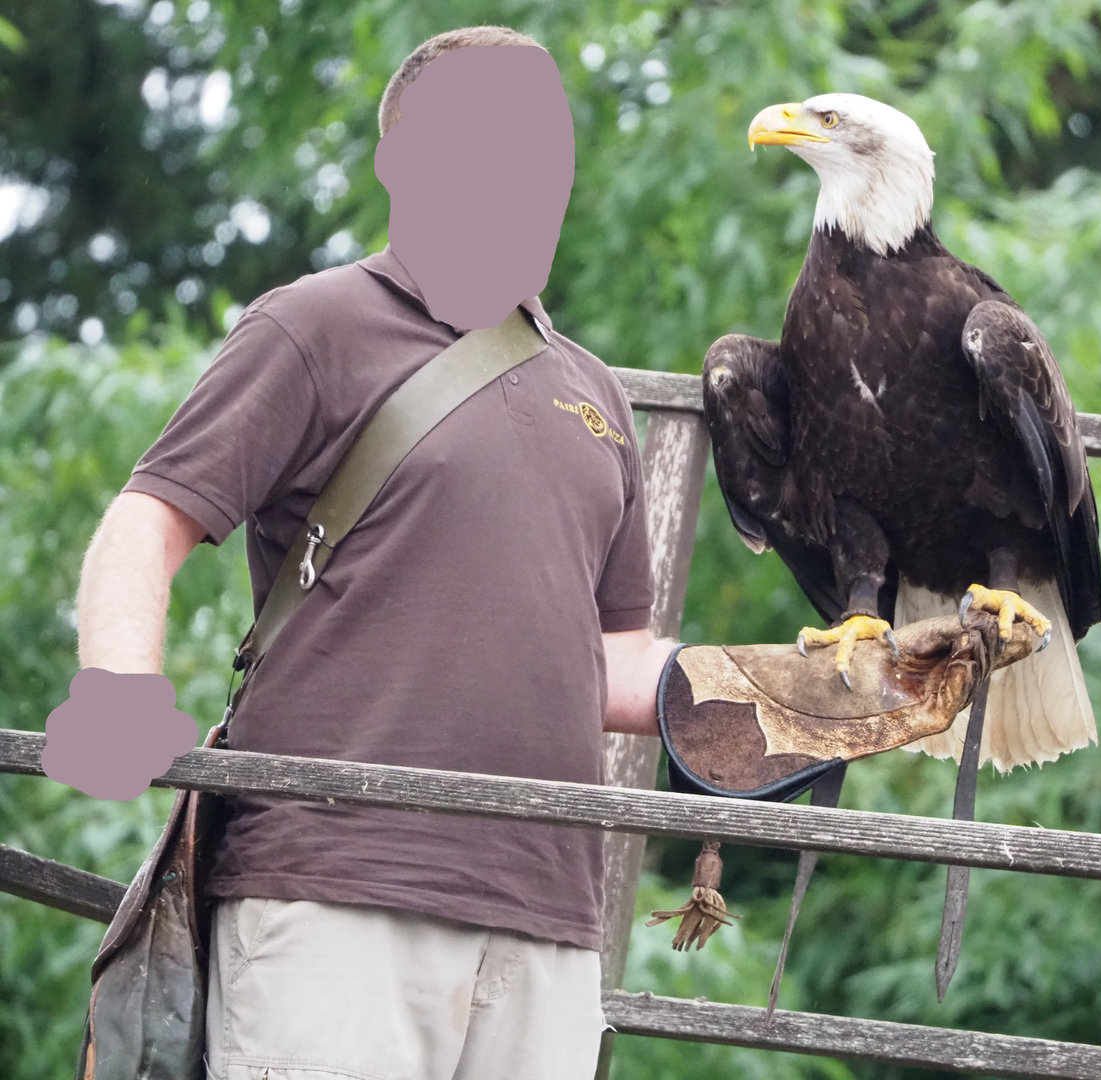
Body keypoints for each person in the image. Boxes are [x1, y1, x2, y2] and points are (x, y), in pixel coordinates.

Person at [61, 25, 673, 1080]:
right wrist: (118, 689)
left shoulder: (595, 394)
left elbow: (613, 664)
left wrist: (811, 695)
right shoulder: (317, 326)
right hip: (336, 882)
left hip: (546, 907)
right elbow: (144, 525)